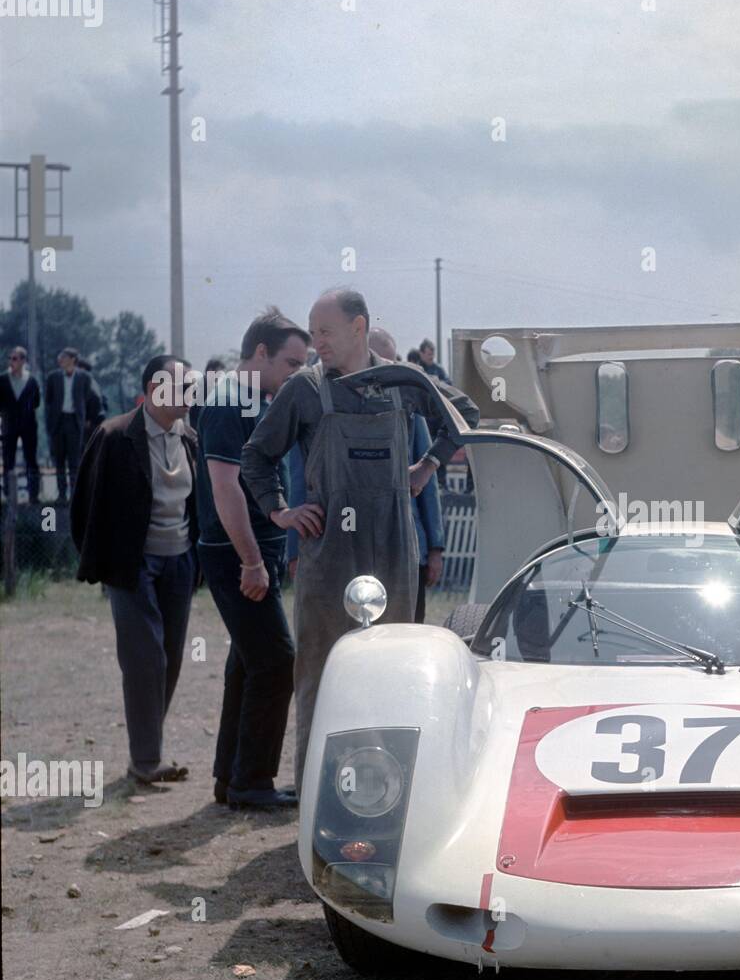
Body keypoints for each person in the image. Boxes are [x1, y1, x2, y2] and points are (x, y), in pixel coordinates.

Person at [240, 287, 479, 787]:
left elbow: (465, 417)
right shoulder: (304, 390)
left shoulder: (406, 382)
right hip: (329, 555)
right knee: (322, 675)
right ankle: (317, 796)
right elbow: (256, 457)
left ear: (359, 327)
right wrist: (280, 511)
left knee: (394, 676)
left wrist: (426, 467)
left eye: (325, 332)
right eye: (312, 332)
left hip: (394, 549)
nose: (316, 343)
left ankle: (387, 794)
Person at [195, 309, 310, 809]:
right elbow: (225, 488)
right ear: (259, 352)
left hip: (249, 550)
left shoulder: (254, 398)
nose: (296, 373)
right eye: (290, 362)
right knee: (276, 661)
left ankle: (232, 777)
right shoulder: (227, 402)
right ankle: (252, 782)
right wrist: (250, 561)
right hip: (233, 553)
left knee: (247, 660)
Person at [71, 356, 199, 786]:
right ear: (153, 389)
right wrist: (101, 562)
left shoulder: (191, 439)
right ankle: (146, 760)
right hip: (131, 566)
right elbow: (83, 506)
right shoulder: (115, 436)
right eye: (179, 386)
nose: (188, 395)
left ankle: (147, 748)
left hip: (179, 561)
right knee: (146, 657)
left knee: (172, 658)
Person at [366, 328, 445, 619]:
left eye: (393, 364)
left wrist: (435, 548)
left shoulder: (411, 409)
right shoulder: (334, 408)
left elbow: (428, 480)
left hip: (410, 549)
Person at [44, 347, 92, 503]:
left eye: (63, 357)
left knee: (74, 461)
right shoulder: (53, 377)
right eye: (60, 357)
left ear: (72, 359)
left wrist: (83, 418)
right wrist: (49, 423)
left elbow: (86, 399)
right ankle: (61, 495)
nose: (60, 360)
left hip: (74, 422)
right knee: (59, 460)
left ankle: (75, 495)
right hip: (58, 422)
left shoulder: (84, 377)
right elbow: (49, 401)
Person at [1, 346, 41, 502]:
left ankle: (34, 494)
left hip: (28, 425)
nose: (12, 361)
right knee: (8, 459)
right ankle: (8, 495)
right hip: (8, 425)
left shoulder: (31, 380)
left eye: (15, 358)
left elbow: (36, 402)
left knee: (31, 459)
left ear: (23, 360)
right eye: (10, 358)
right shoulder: (3, 380)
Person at [78, 358, 105, 432]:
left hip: (94, 419)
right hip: (93, 418)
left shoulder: (89, 382)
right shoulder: (89, 381)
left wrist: (89, 419)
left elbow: (96, 401)